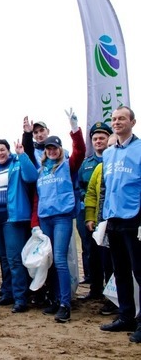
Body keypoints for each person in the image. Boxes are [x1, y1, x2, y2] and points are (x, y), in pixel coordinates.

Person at [34, 109, 86, 323]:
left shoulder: (67, 165)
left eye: (55, 147)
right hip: (45, 217)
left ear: (59, 149)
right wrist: (35, 222)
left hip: (62, 218)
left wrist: (74, 128)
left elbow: (80, 151)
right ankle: (55, 299)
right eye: (48, 148)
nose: (52, 151)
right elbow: (37, 197)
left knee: (61, 260)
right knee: (51, 260)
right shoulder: (41, 170)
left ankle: (65, 303)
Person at [0, 138, 38, 314]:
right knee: (4, 258)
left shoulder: (17, 165)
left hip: (13, 217)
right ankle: (7, 293)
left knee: (14, 258)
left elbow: (32, 176)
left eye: (2, 150)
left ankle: (21, 297)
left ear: (8, 150)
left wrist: (22, 154)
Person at [99, 106, 141, 344]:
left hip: (134, 218)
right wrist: (104, 217)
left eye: (121, 118)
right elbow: (106, 187)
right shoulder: (109, 153)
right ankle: (126, 316)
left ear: (132, 122)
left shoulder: (140, 149)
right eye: (114, 119)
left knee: (139, 271)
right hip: (113, 219)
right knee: (121, 271)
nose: (116, 122)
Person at [77, 121, 113, 300]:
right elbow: (80, 187)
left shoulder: (114, 159)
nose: (98, 141)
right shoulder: (86, 164)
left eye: (102, 138)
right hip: (88, 213)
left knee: (110, 255)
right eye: (95, 138)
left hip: (110, 214)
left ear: (109, 139)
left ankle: (111, 292)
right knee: (91, 252)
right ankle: (95, 289)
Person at [84, 133, 119, 316]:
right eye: (110, 146)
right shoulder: (99, 168)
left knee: (121, 263)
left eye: (115, 145)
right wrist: (90, 217)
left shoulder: (126, 166)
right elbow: (91, 194)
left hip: (124, 221)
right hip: (103, 223)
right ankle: (110, 298)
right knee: (105, 262)